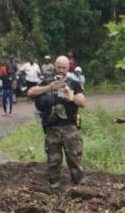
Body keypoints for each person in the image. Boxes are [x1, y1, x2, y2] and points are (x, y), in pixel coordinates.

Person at [29, 55, 87, 188]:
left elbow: (82, 103)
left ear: (68, 68)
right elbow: (31, 92)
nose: (61, 70)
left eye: (64, 68)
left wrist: (68, 93)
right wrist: (49, 88)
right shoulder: (47, 81)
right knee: (53, 161)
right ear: (55, 66)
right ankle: (54, 187)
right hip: (51, 128)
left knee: (74, 159)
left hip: (69, 127)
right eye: (59, 67)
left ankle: (78, 187)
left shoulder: (74, 83)